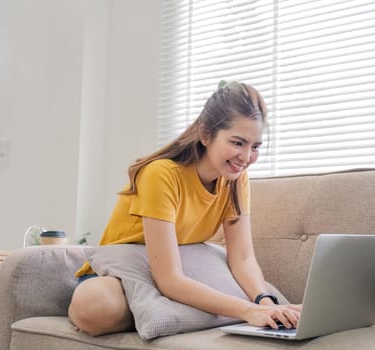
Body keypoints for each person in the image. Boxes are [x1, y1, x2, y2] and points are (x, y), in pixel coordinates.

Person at [68, 81, 301, 336]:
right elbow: (169, 279)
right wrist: (246, 311)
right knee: (95, 305)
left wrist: (265, 304)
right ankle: (168, 310)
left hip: (172, 279)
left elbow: (243, 258)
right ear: (205, 134)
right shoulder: (161, 175)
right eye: (237, 143)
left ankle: (167, 311)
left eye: (255, 147)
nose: (246, 158)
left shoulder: (236, 181)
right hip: (119, 277)